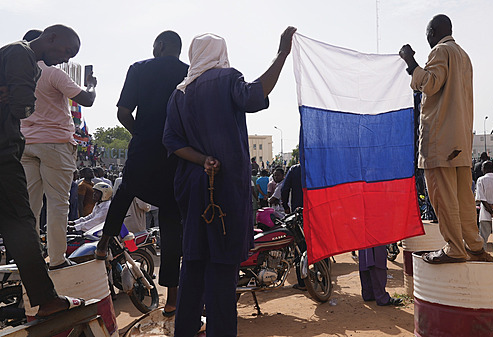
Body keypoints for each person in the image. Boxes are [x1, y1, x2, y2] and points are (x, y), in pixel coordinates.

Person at [163, 26, 297, 337]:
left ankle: (185, 330)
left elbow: (171, 141)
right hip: (222, 190)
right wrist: (281, 55)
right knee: (222, 267)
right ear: (221, 55)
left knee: (194, 263)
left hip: (191, 188)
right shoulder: (226, 78)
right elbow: (253, 96)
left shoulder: (179, 93)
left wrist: (201, 159)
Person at [95, 31, 188, 317]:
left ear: (159, 46)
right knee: (172, 223)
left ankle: (103, 244)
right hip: (177, 154)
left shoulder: (139, 69)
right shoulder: (189, 73)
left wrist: (142, 134)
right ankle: (172, 299)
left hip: (144, 148)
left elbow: (123, 113)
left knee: (125, 190)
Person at [0, 23, 85, 317]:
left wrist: (15, 96)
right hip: (8, 149)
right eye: (66, 51)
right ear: (51, 38)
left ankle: (45, 296)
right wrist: (18, 99)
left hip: (18, 146)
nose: (66, 59)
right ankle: (49, 288)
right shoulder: (21, 53)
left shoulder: (25, 61)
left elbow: (21, 102)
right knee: (27, 217)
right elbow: (24, 106)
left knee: (26, 215)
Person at [399, 14, 493, 264]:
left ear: (432, 32)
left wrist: (411, 63)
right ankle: (474, 246)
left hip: (440, 139)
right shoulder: (463, 55)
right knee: (463, 198)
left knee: (443, 197)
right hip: (460, 138)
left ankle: (454, 248)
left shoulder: (440, 51)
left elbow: (430, 84)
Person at [19, 29, 97, 269]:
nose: (66, 59)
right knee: (58, 204)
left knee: (30, 206)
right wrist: (92, 85)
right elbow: (87, 99)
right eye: (67, 52)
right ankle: (56, 260)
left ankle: (29, 260)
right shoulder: (52, 73)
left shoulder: (18, 72)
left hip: (25, 144)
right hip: (55, 144)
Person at [475, 161, 493, 250]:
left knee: (483, 238)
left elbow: (481, 198)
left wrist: (491, 211)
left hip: (485, 214)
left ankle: (482, 257)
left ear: (485, 169)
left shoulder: (481, 180)